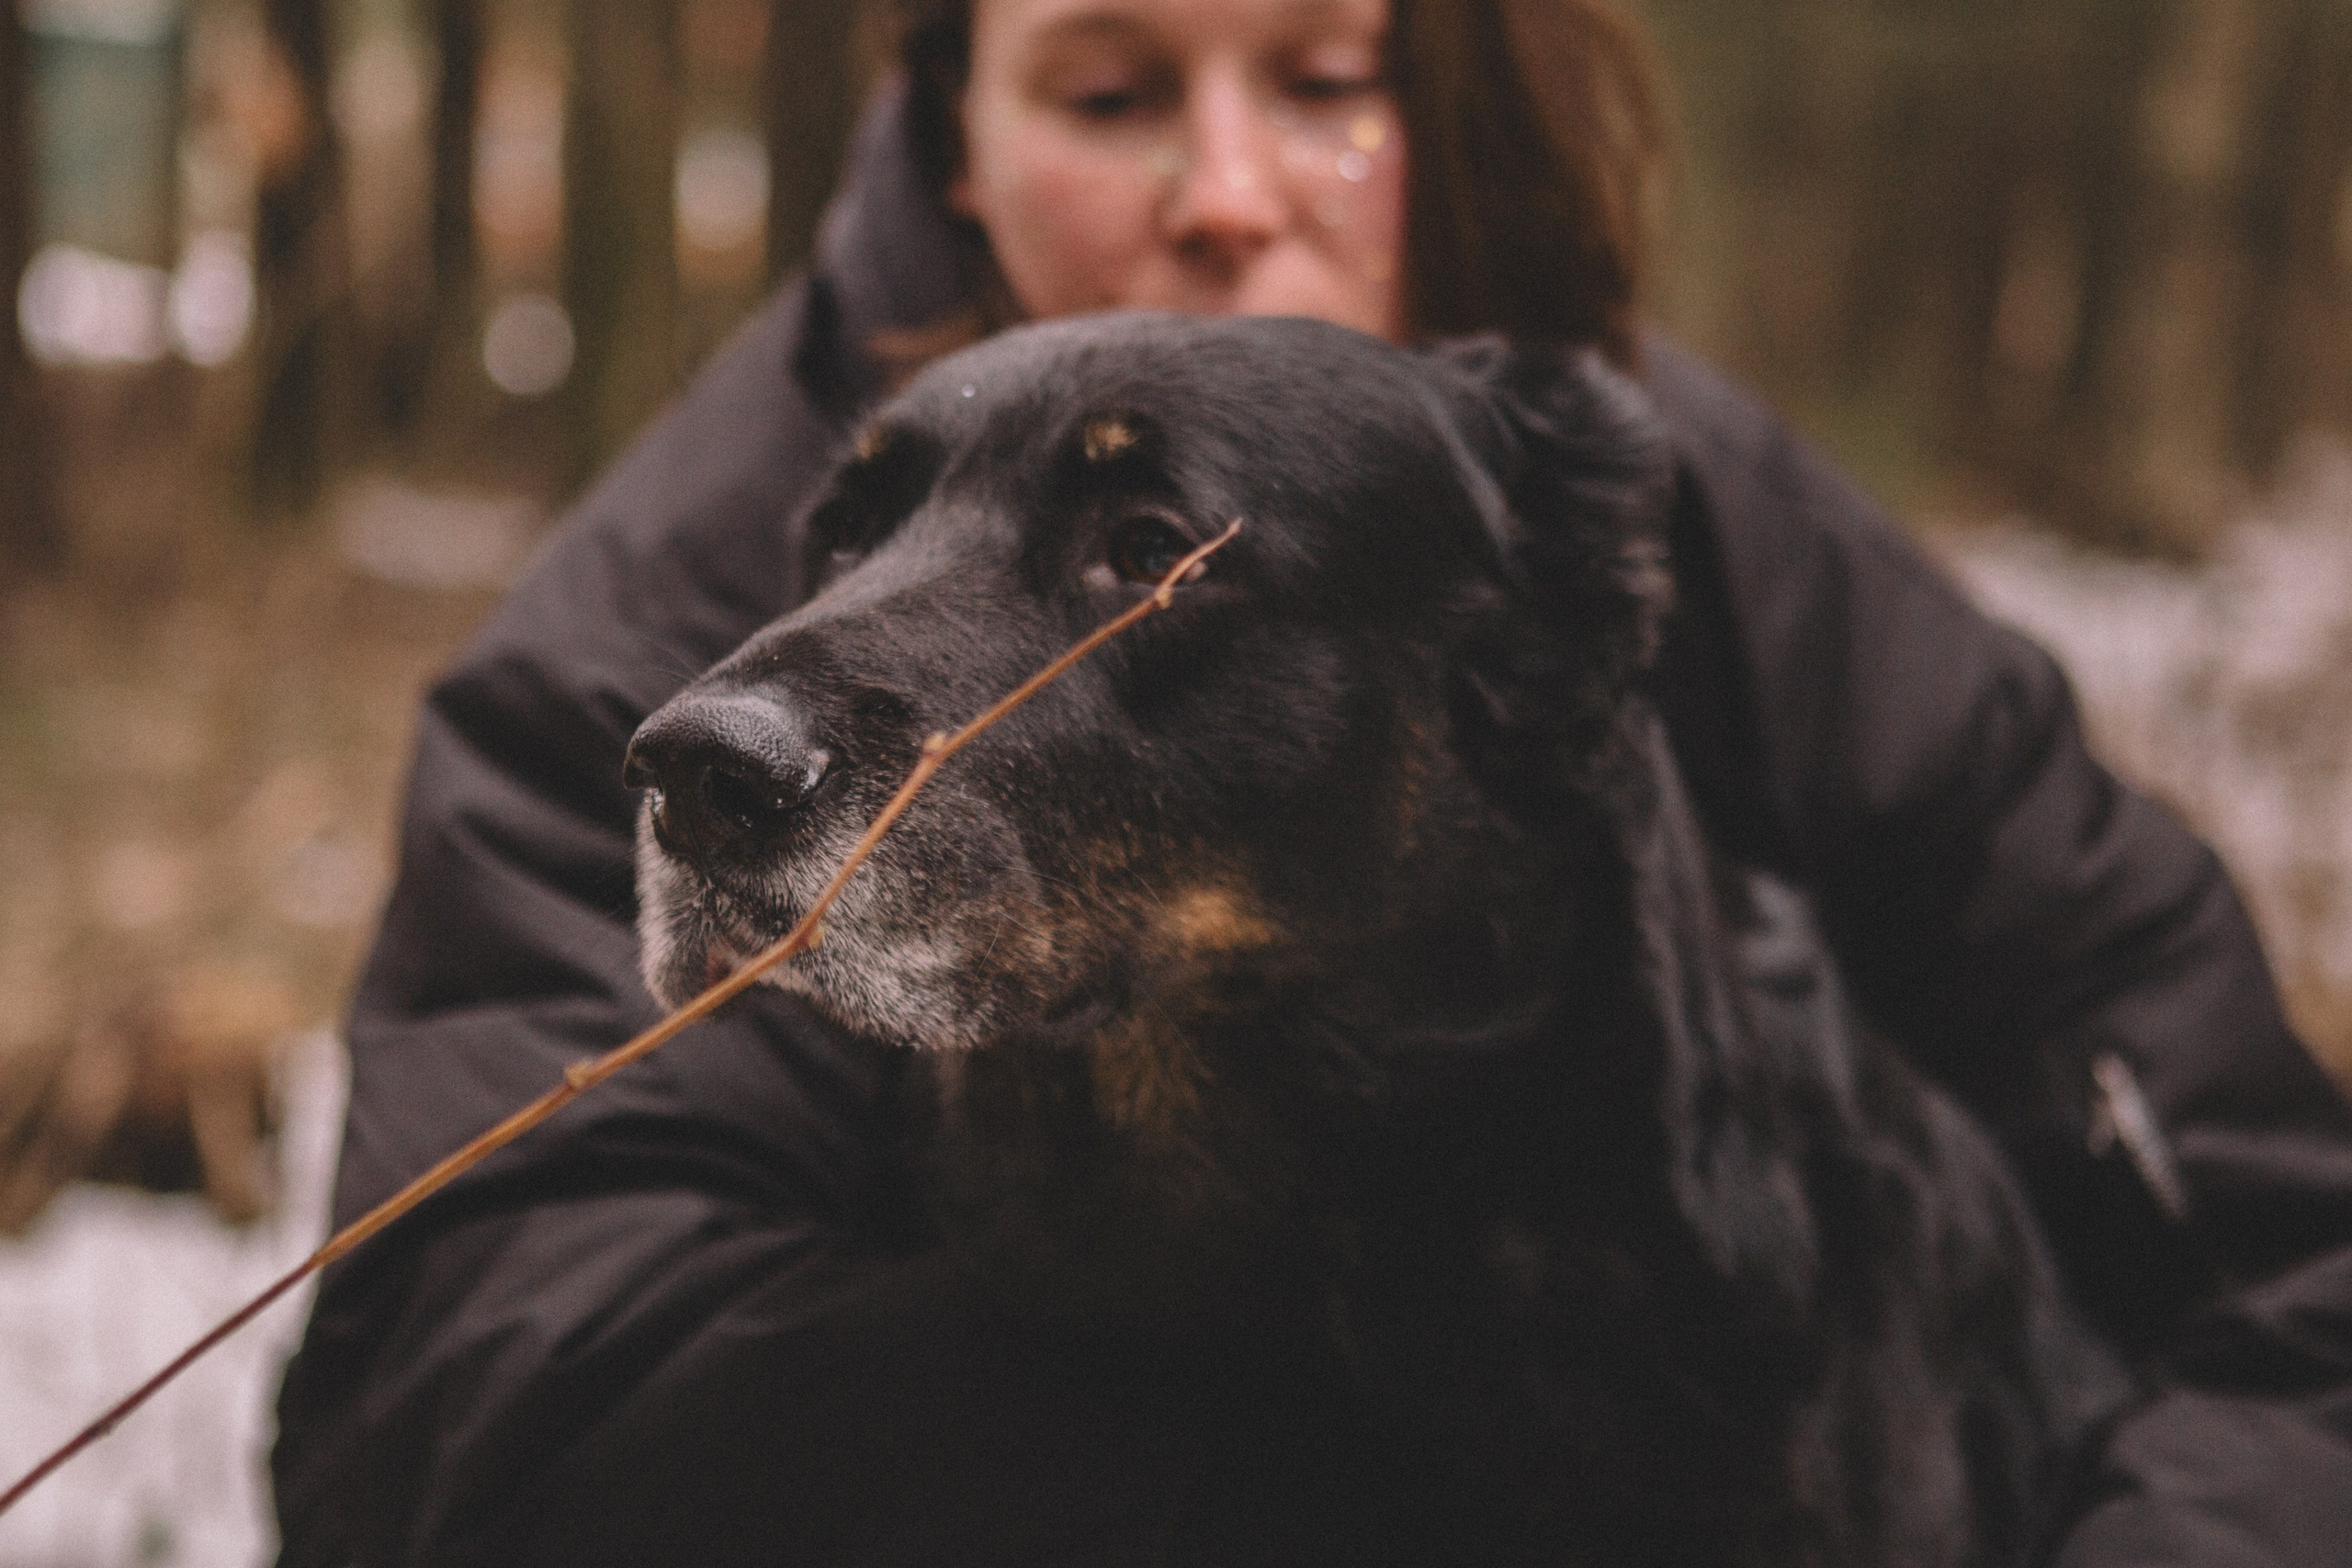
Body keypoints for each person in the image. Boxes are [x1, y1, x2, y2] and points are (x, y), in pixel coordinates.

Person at [271, 0, 2352, 1562]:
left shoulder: (1657, 515)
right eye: (1109, 91)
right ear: (955, 142)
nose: (1226, 189)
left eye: (1327, 80)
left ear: (1449, 106)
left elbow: (2290, 1271)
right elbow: (477, 1416)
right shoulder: (656, 632)